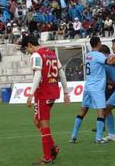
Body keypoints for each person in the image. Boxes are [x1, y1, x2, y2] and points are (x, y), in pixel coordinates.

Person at [20, 35, 70, 165]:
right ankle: (53, 148)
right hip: (53, 92)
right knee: (37, 120)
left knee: (43, 123)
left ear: (30, 45)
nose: (28, 52)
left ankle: (47, 156)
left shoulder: (36, 55)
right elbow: (61, 73)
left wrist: (30, 94)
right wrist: (65, 92)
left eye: (27, 49)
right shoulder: (52, 54)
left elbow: (37, 74)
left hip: (43, 93)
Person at [70, 37, 115, 144]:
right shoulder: (99, 55)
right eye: (100, 42)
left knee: (83, 111)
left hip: (88, 86)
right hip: (97, 88)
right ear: (98, 43)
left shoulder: (88, 55)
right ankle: (98, 138)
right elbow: (108, 62)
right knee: (101, 111)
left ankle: (73, 136)